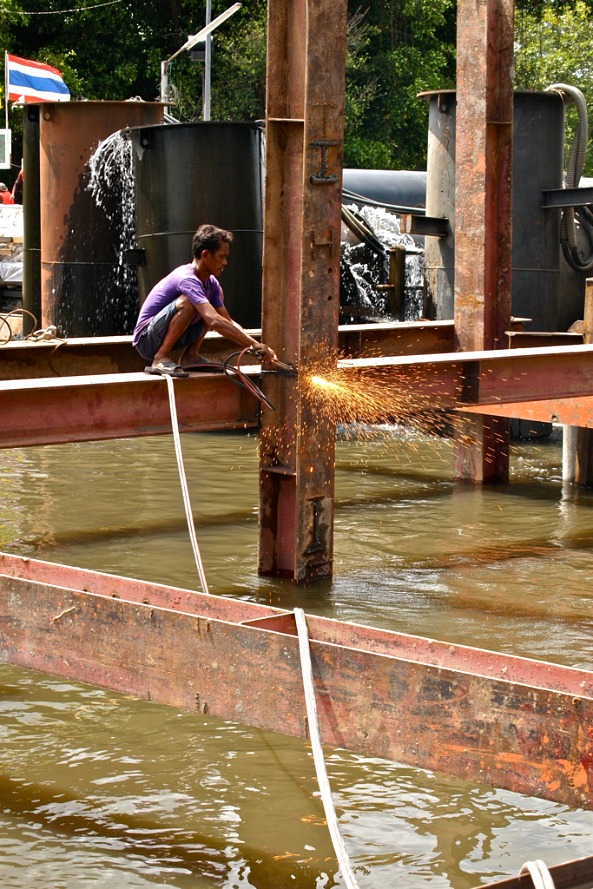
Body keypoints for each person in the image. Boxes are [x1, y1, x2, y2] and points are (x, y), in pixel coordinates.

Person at [133, 224, 278, 377]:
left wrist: (256, 346)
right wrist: (254, 344)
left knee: (210, 305)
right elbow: (214, 321)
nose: (225, 263)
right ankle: (160, 358)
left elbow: (225, 320)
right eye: (222, 256)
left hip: (167, 335)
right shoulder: (187, 279)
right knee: (190, 303)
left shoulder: (211, 284)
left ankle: (191, 356)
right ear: (206, 255)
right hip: (146, 340)